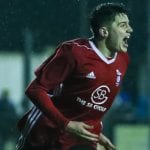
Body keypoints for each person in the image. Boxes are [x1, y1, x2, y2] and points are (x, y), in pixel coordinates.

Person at [16, 2, 133, 150]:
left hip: (81, 140)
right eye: (123, 25)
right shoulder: (74, 52)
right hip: (46, 134)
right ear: (104, 32)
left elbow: (89, 103)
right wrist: (67, 125)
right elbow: (35, 90)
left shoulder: (123, 59)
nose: (130, 29)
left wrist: (96, 132)